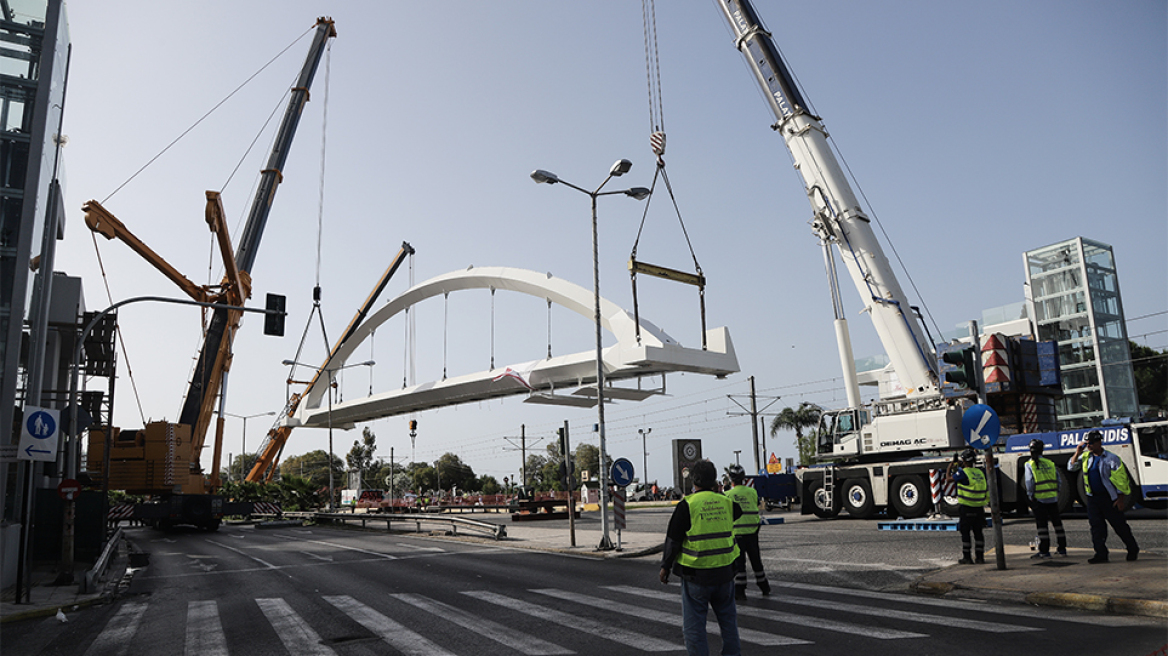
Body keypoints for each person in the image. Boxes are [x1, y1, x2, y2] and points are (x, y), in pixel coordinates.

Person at [659, 460, 742, 656]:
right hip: (725, 574)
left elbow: (673, 541)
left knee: (694, 628)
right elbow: (737, 511)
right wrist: (717, 494)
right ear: (714, 480)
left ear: (694, 480)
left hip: (695, 576)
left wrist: (665, 566)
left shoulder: (687, 505)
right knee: (729, 622)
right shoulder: (727, 503)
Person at [1067, 430, 1140, 563]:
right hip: (1093, 499)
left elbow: (1121, 480)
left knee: (1120, 526)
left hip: (1109, 499)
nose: (1088, 446)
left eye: (1091, 443)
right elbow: (1071, 467)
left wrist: (1121, 499)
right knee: (1096, 527)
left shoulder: (1112, 458)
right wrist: (1078, 451)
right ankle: (1101, 554)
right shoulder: (1086, 457)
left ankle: (1132, 548)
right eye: (1087, 443)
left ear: (1099, 443)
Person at [725, 464, 771, 599]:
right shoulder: (752, 492)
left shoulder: (727, 494)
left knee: (739, 564)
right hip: (752, 531)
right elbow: (756, 505)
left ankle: (740, 591)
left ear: (731, 479)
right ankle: (764, 587)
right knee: (756, 560)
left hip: (736, 533)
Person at [1024, 438, 1067, 558]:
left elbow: (1029, 481)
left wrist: (1030, 495)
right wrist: (1055, 492)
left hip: (1039, 499)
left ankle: (1044, 551)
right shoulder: (1050, 463)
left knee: (1042, 526)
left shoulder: (1029, 464)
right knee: (1057, 524)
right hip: (1052, 498)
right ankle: (1062, 549)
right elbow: (1058, 480)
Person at [947, 448, 986, 564]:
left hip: (967, 507)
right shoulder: (980, 472)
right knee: (978, 533)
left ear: (964, 461)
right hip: (979, 507)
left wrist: (950, 467)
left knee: (965, 533)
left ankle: (967, 557)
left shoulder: (963, 473)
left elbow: (949, 479)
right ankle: (980, 557)